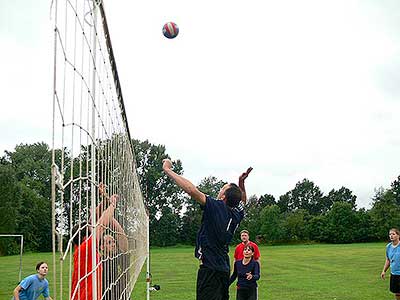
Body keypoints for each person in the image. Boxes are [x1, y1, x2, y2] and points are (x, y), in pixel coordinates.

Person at [162, 158, 252, 300]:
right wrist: (241, 183)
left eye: (222, 187)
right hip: (223, 268)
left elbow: (192, 190)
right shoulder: (236, 214)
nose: (220, 189)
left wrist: (168, 170)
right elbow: (242, 203)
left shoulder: (216, 206)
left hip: (210, 270)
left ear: (223, 197)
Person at [71, 194, 118, 300]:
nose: (94, 228)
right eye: (91, 229)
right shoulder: (85, 248)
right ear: (84, 238)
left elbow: (95, 221)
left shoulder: (82, 249)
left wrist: (103, 201)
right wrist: (113, 205)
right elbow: (102, 224)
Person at [381, 228, 400, 300]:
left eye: (393, 234)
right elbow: (388, 260)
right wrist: (384, 271)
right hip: (394, 274)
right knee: (397, 293)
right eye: (390, 234)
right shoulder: (388, 246)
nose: (391, 235)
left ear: (398, 236)